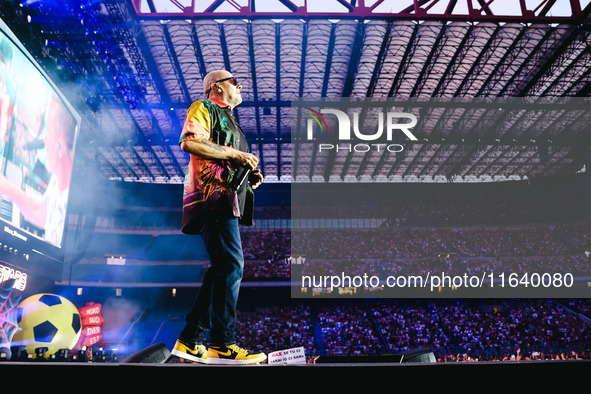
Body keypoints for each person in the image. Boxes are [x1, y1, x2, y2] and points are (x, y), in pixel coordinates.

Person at [171, 70, 266, 365]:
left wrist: (248, 174)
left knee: (222, 268)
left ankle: (190, 339)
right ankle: (223, 344)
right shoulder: (204, 107)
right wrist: (235, 155)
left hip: (225, 198)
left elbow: (224, 158)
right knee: (232, 266)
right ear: (217, 86)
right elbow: (190, 142)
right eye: (234, 81)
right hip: (211, 196)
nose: (239, 86)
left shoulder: (231, 121)